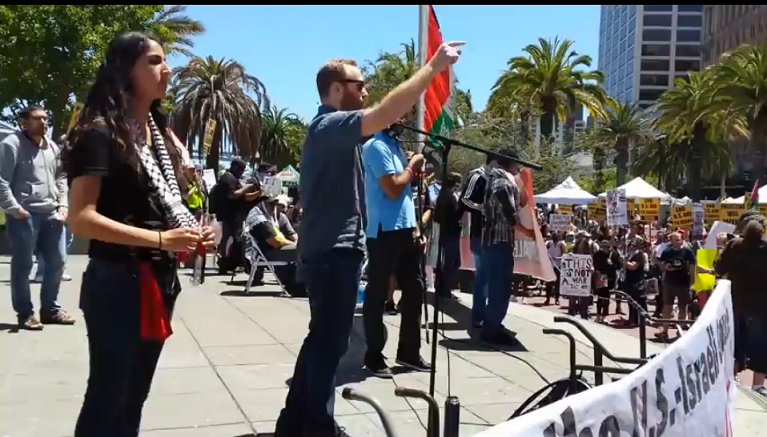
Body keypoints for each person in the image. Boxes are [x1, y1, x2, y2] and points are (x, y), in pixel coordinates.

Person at [274, 40, 465, 437]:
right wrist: (432, 68)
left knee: (323, 340)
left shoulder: (334, 132)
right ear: (337, 88)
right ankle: (315, 425)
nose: (365, 92)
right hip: (332, 253)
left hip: (333, 251)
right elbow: (385, 112)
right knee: (329, 343)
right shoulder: (330, 125)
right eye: (359, 84)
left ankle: (296, 422)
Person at [63, 32, 215, 436]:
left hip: (158, 281)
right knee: (107, 397)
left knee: (134, 397)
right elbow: (80, 218)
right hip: (118, 283)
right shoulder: (99, 132)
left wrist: (188, 233)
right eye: (153, 60)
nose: (166, 69)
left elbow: (161, 206)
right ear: (123, 69)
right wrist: (163, 240)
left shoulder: (159, 134)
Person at [360, 122, 430, 379]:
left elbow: (406, 195)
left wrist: (415, 227)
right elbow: (392, 187)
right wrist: (413, 167)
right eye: (399, 116)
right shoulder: (376, 146)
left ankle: (409, 352)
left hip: (406, 229)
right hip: (383, 230)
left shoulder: (395, 146)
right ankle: (374, 355)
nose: (404, 122)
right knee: (378, 292)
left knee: (414, 289)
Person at [0, 105, 75, 330]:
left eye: (45, 118)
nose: (43, 123)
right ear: (24, 122)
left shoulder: (52, 146)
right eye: (37, 119)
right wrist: (14, 208)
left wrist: (63, 204)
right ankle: (25, 314)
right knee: (23, 266)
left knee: (58, 261)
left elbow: (61, 177)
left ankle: (50, 309)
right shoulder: (10, 145)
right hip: (24, 215)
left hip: (53, 214)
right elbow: (2, 181)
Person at [477, 148, 535, 345]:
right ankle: (492, 329)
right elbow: (510, 215)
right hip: (499, 242)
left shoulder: (495, 179)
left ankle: (492, 325)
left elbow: (520, 201)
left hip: (492, 242)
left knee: (496, 286)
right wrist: (528, 232)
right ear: (511, 163)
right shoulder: (502, 183)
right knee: (499, 288)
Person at [716, 213, 767, 396]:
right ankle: (758, 385)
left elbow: (719, 268)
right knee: (761, 345)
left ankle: (732, 377)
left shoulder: (734, 246)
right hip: (761, 305)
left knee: (734, 341)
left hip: (735, 301)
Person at [460, 152, 498, 328]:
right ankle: (478, 316)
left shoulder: (495, 177)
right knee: (483, 275)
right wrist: (483, 209)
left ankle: (487, 315)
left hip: (492, 234)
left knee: (489, 276)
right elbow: (465, 199)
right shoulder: (477, 176)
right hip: (480, 233)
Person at [244, 195, 304, 296]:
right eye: (271, 204)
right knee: (302, 251)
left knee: (301, 250)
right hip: (266, 253)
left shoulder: (267, 216)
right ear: (264, 204)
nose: (274, 207)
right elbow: (276, 243)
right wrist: (294, 244)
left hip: (270, 250)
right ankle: (297, 287)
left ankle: (295, 284)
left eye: (275, 204)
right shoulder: (261, 221)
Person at [213, 158, 260, 274]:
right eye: (241, 169)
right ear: (235, 167)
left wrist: (259, 193)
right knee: (228, 237)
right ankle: (224, 263)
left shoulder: (235, 179)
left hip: (235, 214)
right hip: (229, 214)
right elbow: (233, 195)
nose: (242, 172)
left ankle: (235, 262)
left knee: (236, 238)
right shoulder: (227, 177)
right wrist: (248, 187)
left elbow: (245, 197)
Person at [656, 231, 695, 339]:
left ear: (682, 239)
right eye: (674, 240)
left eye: (678, 239)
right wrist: (665, 267)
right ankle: (664, 331)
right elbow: (662, 266)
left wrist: (692, 284)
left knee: (683, 308)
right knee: (667, 307)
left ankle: (680, 332)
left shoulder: (688, 252)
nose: (677, 242)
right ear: (671, 241)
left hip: (683, 283)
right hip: (670, 283)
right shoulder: (667, 252)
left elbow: (692, 269)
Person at [433, 172, 463, 300]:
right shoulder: (449, 197)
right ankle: (445, 290)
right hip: (450, 233)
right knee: (452, 263)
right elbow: (456, 214)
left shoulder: (442, 195)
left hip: (446, 232)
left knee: (447, 262)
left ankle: (441, 288)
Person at [592, 237, 622, 324]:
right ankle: (598, 315)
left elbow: (619, 266)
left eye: (606, 247)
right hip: (601, 276)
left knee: (607, 297)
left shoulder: (614, 254)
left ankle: (605, 316)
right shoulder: (597, 254)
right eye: (603, 247)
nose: (605, 248)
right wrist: (597, 271)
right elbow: (594, 264)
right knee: (601, 297)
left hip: (611, 277)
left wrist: (612, 264)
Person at [623, 235, 648, 327]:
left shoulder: (639, 254)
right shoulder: (630, 254)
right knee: (630, 301)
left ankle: (643, 320)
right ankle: (632, 319)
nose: (632, 245)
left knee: (639, 301)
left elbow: (633, 267)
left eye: (634, 243)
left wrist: (624, 261)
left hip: (637, 281)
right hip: (630, 280)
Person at [545, 232, 565, 306]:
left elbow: (563, 255)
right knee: (548, 283)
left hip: (558, 266)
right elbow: (545, 252)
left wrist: (557, 258)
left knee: (558, 284)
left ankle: (557, 299)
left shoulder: (561, 245)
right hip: (550, 266)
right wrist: (549, 258)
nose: (555, 238)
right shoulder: (548, 243)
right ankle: (547, 299)